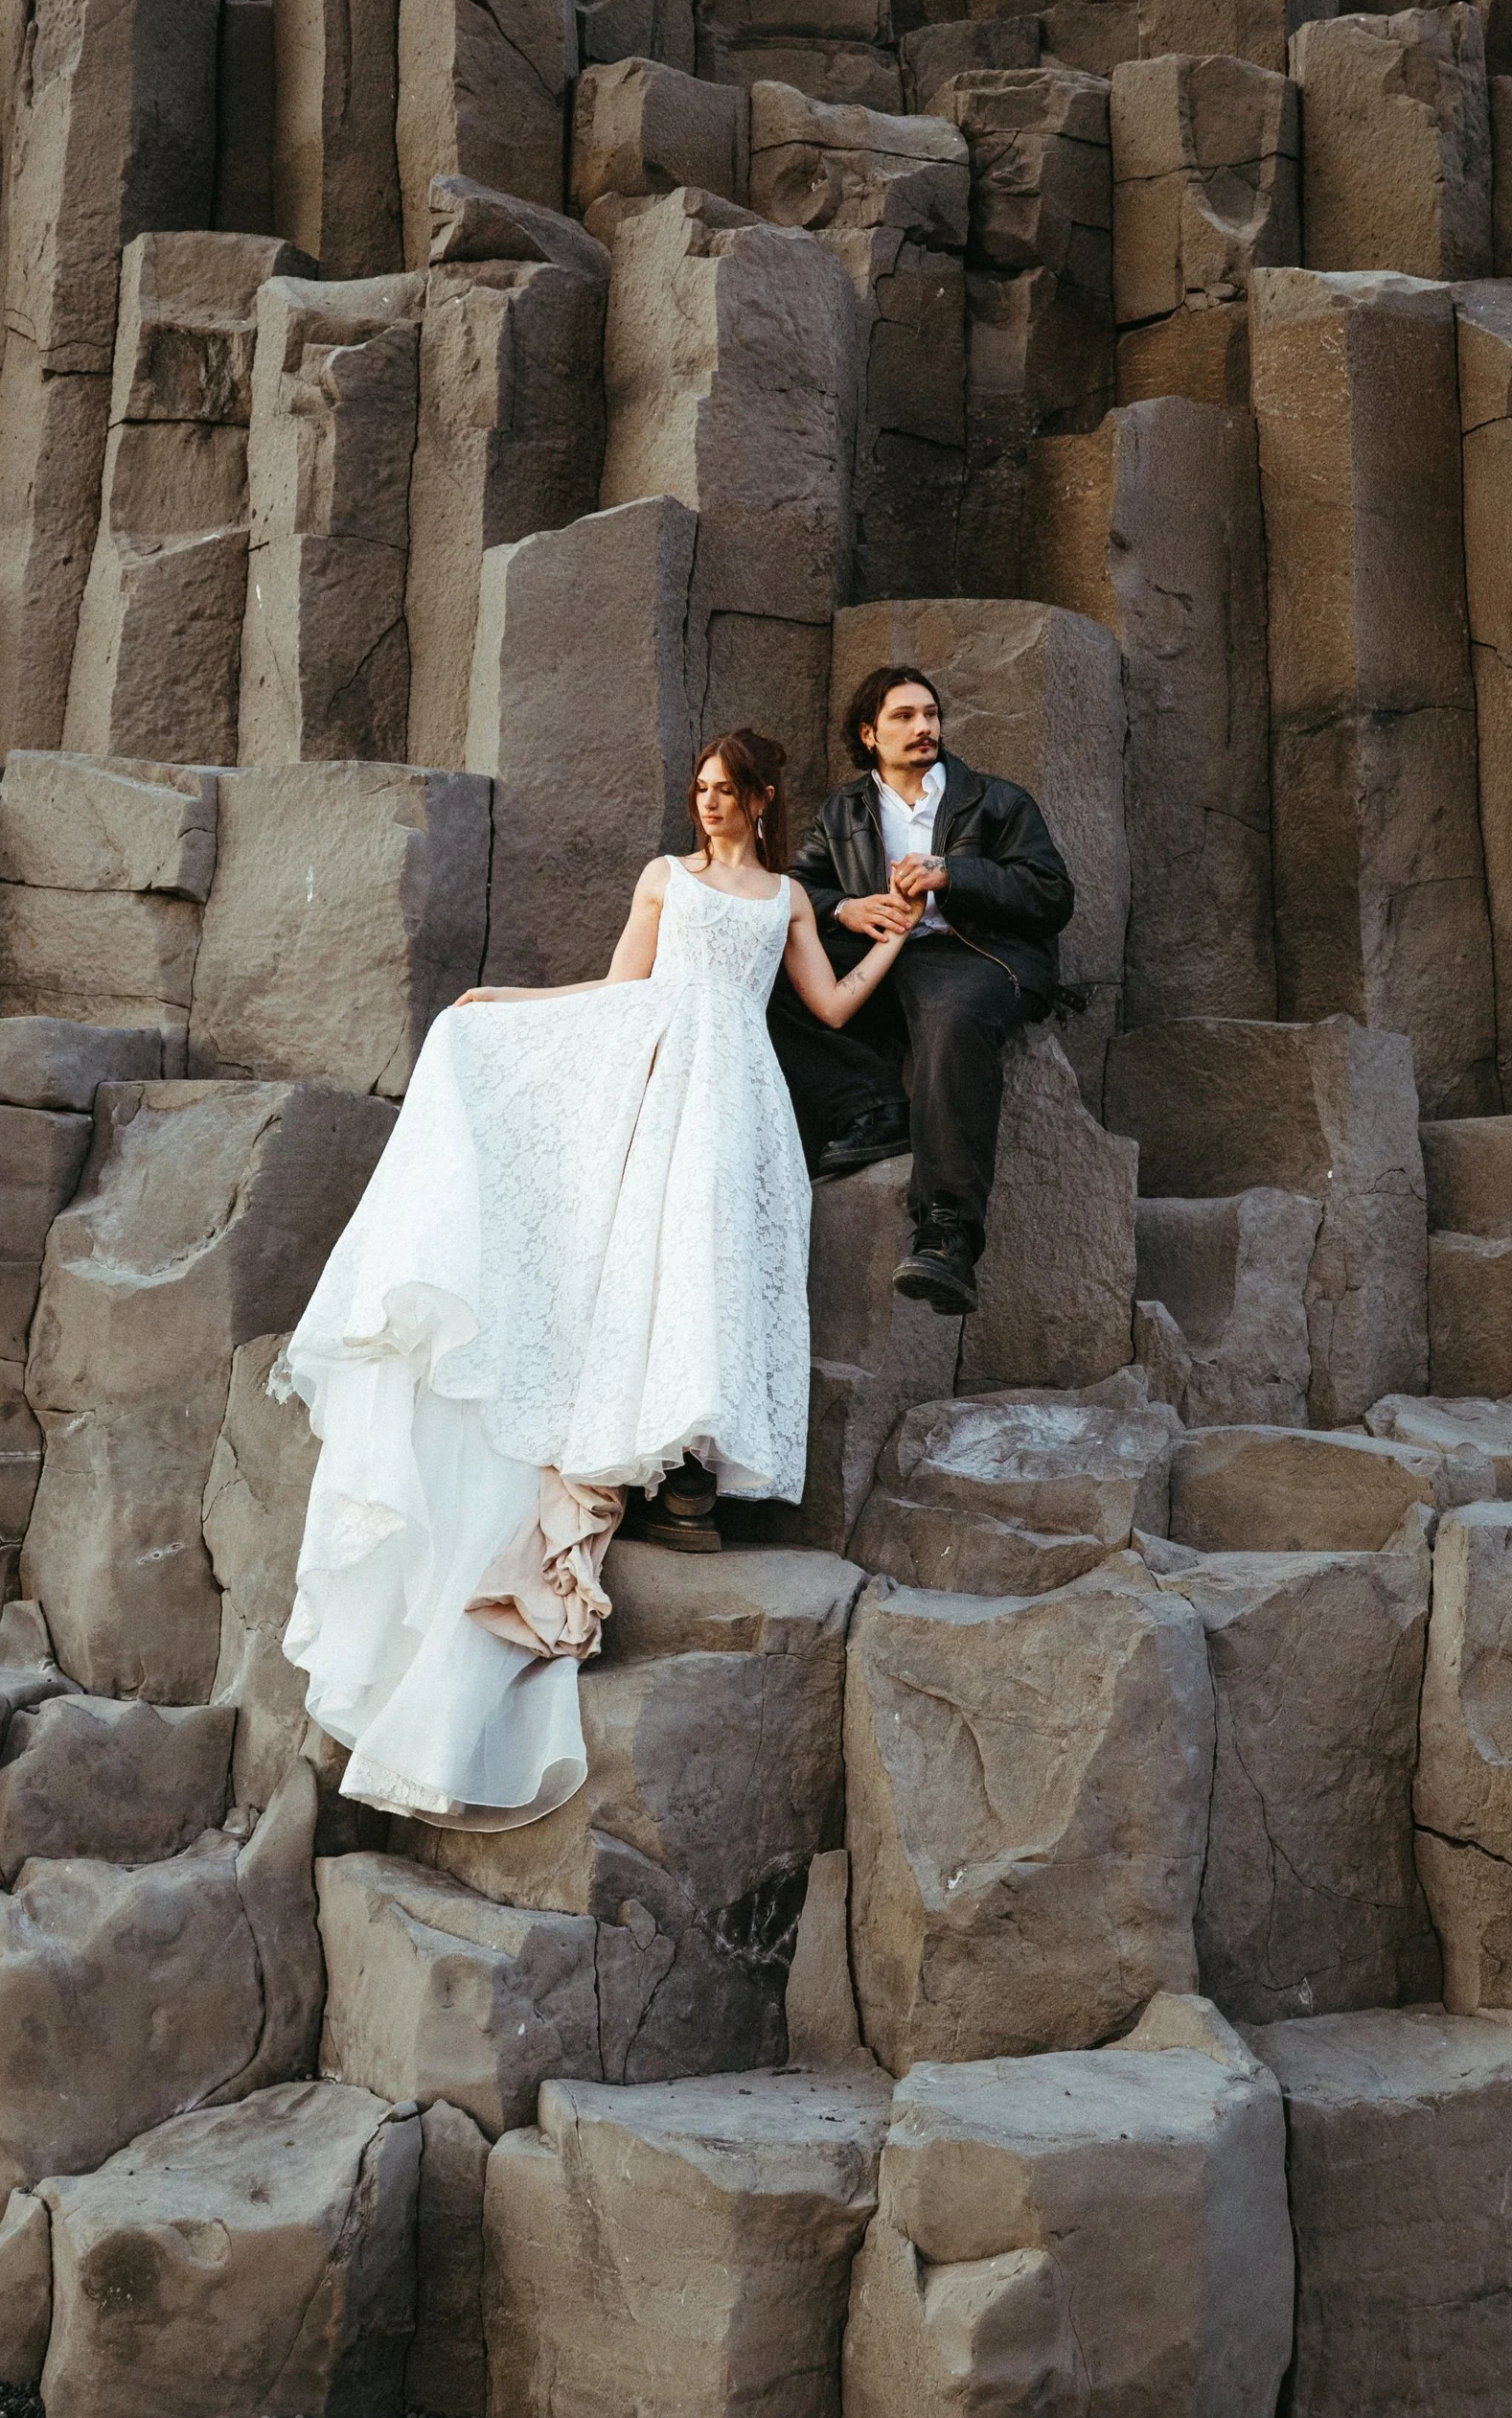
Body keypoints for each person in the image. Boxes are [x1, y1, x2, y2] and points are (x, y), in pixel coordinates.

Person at [276, 727, 921, 1832]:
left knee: (726, 1266)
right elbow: (620, 990)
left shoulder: (785, 901)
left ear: (763, 802)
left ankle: (695, 1480)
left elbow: (828, 1009)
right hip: (664, 1078)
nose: (708, 805)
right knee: (656, 1262)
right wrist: (513, 1004)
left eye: (727, 792)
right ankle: (660, 1460)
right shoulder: (663, 877)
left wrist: (894, 942)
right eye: (701, 790)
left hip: (748, 1098)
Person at [770, 663, 1074, 1318]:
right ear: (868, 734)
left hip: (977, 954)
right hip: (884, 954)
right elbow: (791, 892)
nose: (923, 727)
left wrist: (955, 874)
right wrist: (843, 909)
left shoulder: (996, 800)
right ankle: (871, 1110)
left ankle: (948, 1235)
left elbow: (1051, 895)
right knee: (766, 972)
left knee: (953, 1018)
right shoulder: (844, 810)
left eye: (930, 714)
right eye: (904, 717)